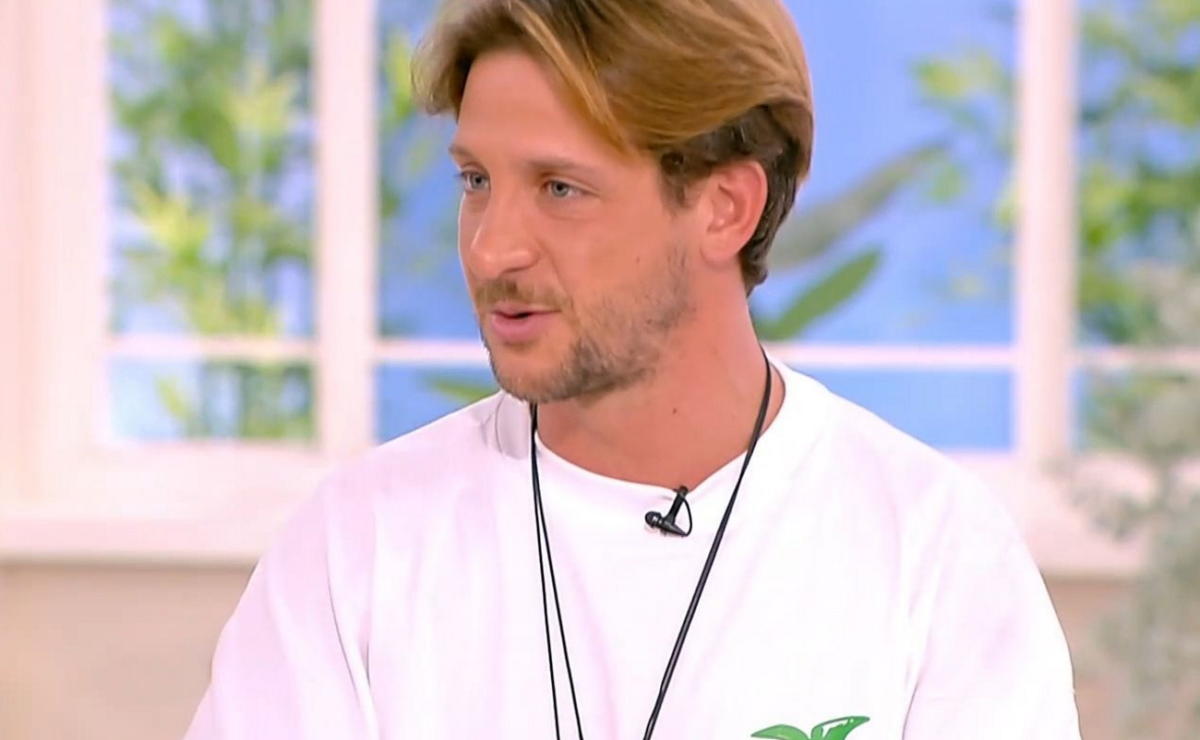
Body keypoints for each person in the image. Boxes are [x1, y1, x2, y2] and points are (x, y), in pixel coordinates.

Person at [183, 0, 1083, 737]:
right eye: (476, 182)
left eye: (560, 189)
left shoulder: (936, 557)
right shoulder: (360, 548)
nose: (492, 248)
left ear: (725, 207)